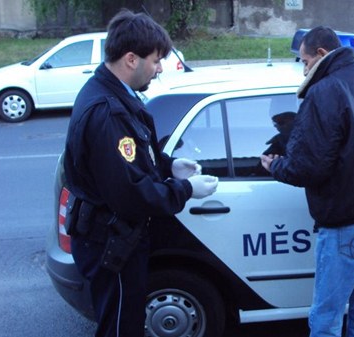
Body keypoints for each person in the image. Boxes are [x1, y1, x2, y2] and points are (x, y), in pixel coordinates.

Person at [63, 9, 218, 337]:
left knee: (123, 318)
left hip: (109, 237)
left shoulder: (112, 95)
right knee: (121, 327)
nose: (160, 68)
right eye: (156, 60)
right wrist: (186, 189)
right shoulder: (108, 112)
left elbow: (134, 157)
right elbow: (131, 193)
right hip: (111, 242)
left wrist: (167, 166)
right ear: (131, 59)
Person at [261, 26, 354, 337]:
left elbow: (307, 168)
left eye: (303, 61)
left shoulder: (325, 92)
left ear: (321, 54)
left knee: (326, 316)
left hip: (349, 220)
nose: (303, 68)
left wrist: (275, 166)